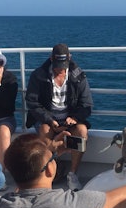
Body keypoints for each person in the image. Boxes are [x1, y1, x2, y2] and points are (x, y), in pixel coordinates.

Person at [25, 43, 93, 191]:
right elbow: (32, 102)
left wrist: (74, 118)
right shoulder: (39, 75)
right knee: (44, 131)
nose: (60, 69)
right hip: (47, 119)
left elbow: (87, 104)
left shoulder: (78, 76)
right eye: (57, 64)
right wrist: (49, 119)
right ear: (50, 59)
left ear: (69, 59)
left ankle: (72, 174)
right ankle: (49, 168)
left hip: (70, 120)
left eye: (63, 65)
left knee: (81, 132)